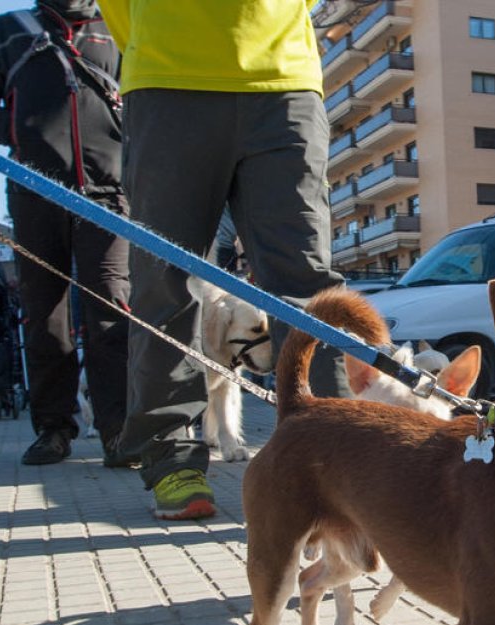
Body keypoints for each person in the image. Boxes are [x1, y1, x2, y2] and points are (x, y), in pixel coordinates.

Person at [98, 0, 349, 519]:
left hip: (284, 80)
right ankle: (172, 458)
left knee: (305, 283)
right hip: (166, 78)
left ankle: (338, 459)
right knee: (165, 280)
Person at [0, 0, 130, 467]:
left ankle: (118, 430)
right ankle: (54, 429)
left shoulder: (121, 24)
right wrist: (18, 131)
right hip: (34, 190)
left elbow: (147, 95)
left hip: (109, 194)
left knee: (111, 309)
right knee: (44, 314)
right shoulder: (6, 30)